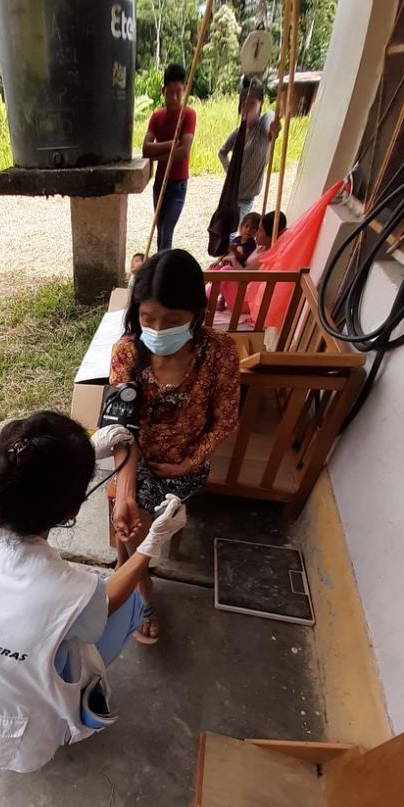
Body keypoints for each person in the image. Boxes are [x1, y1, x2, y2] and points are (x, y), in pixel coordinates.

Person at [0, 411, 186, 772]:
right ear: (72, 510)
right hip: (13, 744)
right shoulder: (65, 590)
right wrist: (149, 545)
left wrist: (70, 459)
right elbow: (105, 606)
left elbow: (1, 491)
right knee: (128, 604)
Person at [110, 250, 240, 644]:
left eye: (172, 320)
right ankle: (143, 596)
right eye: (147, 318)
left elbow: (226, 419)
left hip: (186, 464)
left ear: (195, 313)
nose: (157, 328)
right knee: (134, 528)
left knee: (133, 535)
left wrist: (190, 462)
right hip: (137, 460)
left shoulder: (219, 353)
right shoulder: (127, 352)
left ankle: (124, 569)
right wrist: (125, 490)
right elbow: (121, 426)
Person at [142, 63, 196, 251]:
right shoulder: (156, 117)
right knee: (160, 230)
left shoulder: (188, 114)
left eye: (178, 92)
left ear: (184, 91)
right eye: (170, 92)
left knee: (166, 230)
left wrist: (159, 153)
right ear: (163, 91)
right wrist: (170, 144)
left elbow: (184, 153)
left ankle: (163, 273)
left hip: (178, 184)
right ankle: (161, 270)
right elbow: (146, 149)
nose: (174, 98)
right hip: (160, 184)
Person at [218, 84, 280, 222]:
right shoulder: (238, 132)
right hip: (230, 194)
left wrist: (274, 129)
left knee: (235, 234)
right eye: (245, 104)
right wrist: (230, 171)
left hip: (246, 198)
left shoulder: (262, 127)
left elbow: (271, 123)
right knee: (223, 230)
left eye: (252, 103)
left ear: (260, 103)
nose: (248, 108)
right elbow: (222, 152)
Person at [213, 210, 288, 315]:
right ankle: (202, 293)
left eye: (260, 231)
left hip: (244, 302)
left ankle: (203, 299)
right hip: (241, 292)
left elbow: (244, 275)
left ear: (270, 236)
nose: (256, 233)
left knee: (226, 271)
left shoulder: (266, 256)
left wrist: (233, 259)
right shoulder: (261, 247)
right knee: (217, 267)